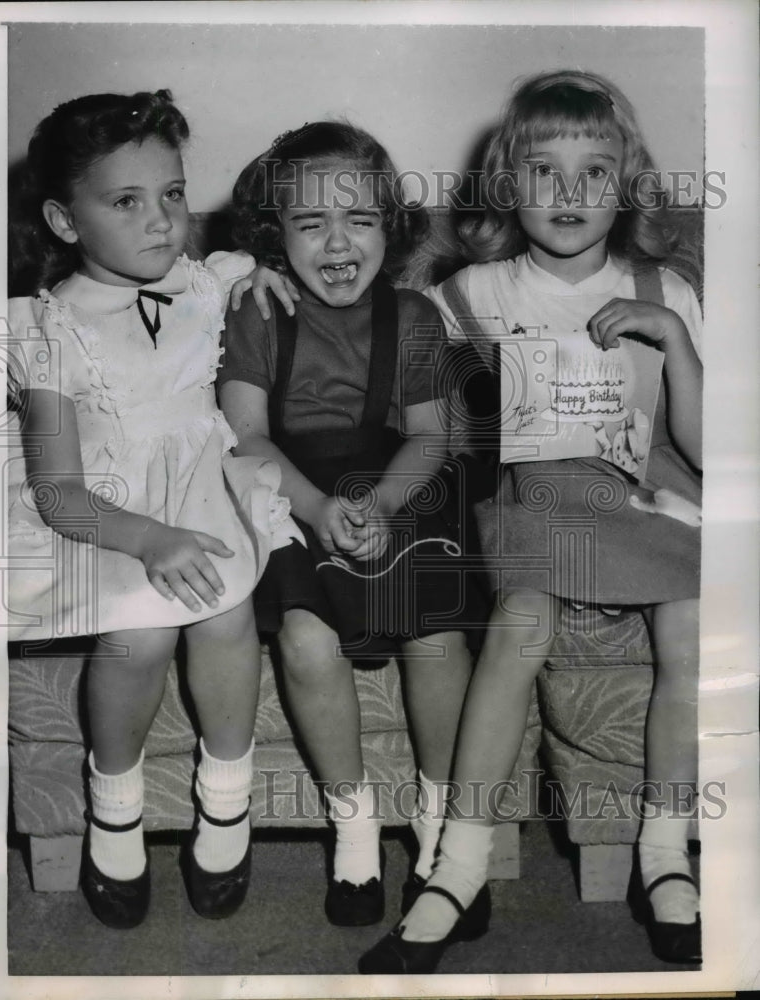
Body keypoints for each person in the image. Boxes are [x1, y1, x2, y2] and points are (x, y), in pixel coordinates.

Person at [360, 69, 703, 972]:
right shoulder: (470, 292)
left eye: (595, 171)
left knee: (694, 625)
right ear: (509, 184)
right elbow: (411, 407)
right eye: (545, 170)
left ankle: (665, 854)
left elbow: (703, 449)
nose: (570, 193)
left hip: (644, 489)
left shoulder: (660, 287)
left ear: (625, 185)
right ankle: (458, 863)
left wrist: (671, 341)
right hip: (534, 493)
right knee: (518, 622)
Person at [7, 89, 302, 929]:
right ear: (66, 222)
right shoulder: (47, 330)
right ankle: (116, 802)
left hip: (200, 480)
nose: (162, 221)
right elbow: (59, 492)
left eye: (172, 193)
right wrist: (151, 538)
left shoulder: (209, 284)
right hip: (103, 511)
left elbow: (244, 270)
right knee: (138, 633)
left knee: (222, 615)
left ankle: (226, 798)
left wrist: (267, 271)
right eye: (127, 201)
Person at [219, 121, 486, 927]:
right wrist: (319, 509)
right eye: (310, 224)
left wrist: (377, 506)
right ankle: (355, 825)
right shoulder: (257, 310)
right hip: (290, 484)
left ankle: (440, 831)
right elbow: (246, 437)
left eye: (359, 221)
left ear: (389, 229)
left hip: (397, 479)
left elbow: (433, 435)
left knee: (439, 639)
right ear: (276, 238)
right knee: (304, 639)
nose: (337, 243)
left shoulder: (411, 315)